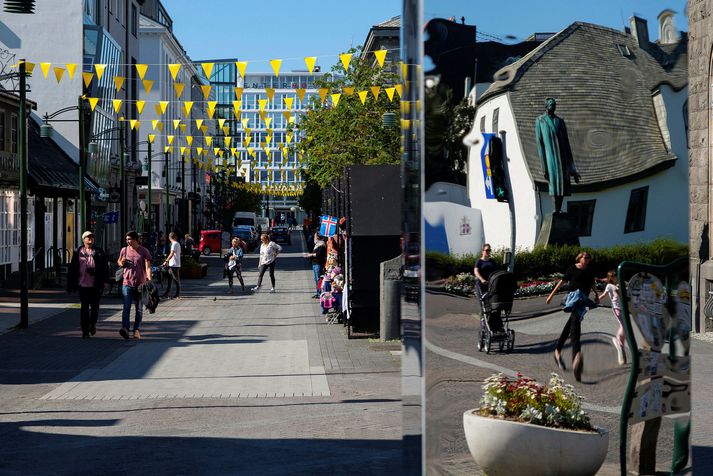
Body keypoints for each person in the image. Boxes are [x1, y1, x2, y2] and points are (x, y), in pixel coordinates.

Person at [545, 251, 599, 382]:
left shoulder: (589, 271)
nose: (587, 259)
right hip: (573, 299)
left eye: (588, 258)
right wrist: (551, 295)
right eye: (585, 257)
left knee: (570, 325)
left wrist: (596, 295)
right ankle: (576, 357)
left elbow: (592, 284)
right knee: (575, 324)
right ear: (579, 258)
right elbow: (561, 282)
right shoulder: (573, 269)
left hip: (583, 300)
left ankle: (557, 351)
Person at [535, 97, 581, 213]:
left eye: (554, 104)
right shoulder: (540, 121)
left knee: (563, 184)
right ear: (546, 106)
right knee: (554, 183)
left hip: (563, 158)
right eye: (550, 104)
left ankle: (558, 210)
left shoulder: (560, 121)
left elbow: (567, 145)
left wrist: (573, 171)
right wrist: (544, 168)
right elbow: (540, 144)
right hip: (551, 157)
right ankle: (555, 210)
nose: (553, 106)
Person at [67, 231, 110, 338]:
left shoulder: (99, 251)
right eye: (87, 237)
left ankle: (92, 324)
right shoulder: (78, 252)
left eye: (92, 237)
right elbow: (73, 268)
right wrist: (71, 283)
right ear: (83, 239)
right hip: (82, 284)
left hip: (96, 284)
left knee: (95, 308)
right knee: (84, 308)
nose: (90, 239)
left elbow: (105, 267)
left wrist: (105, 280)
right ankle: (85, 331)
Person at [118, 230, 153, 340]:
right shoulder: (124, 250)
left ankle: (136, 330)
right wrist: (122, 262)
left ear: (135, 239)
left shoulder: (144, 251)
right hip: (127, 282)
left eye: (130, 239)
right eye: (126, 239)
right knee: (126, 307)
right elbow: (119, 262)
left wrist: (149, 280)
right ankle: (125, 329)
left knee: (139, 309)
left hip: (140, 284)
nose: (128, 241)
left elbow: (147, 266)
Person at [599, 271, 627, 365]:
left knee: (625, 327)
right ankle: (617, 341)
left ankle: (620, 346)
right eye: (615, 276)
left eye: (616, 276)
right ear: (611, 278)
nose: (616, 277)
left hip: (623, 308)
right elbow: (604, 295)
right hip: (617, 308)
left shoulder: (618, 285)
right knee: (624, 326)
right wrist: (597, 299)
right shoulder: (610, 286)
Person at [304, 232, 326, 298]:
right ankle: (318, 292)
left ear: (317, 238)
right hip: (315, 263)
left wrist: (310, 255)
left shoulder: (321, 245)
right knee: (316, 279)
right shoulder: (317, 244)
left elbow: (318, 254)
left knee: (318, 279)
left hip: (318, 264)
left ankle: (320, 293)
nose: (314, 238)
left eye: (315, 237)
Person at [161, 232, 181, 300]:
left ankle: (177, 294)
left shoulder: (174, 244)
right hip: (174, 264)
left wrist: (166, 261)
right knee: (170, 279)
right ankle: (167, 293)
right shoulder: (177, 244)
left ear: (169, 238)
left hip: (174, 265)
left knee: (176, 279)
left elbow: (171, 254)